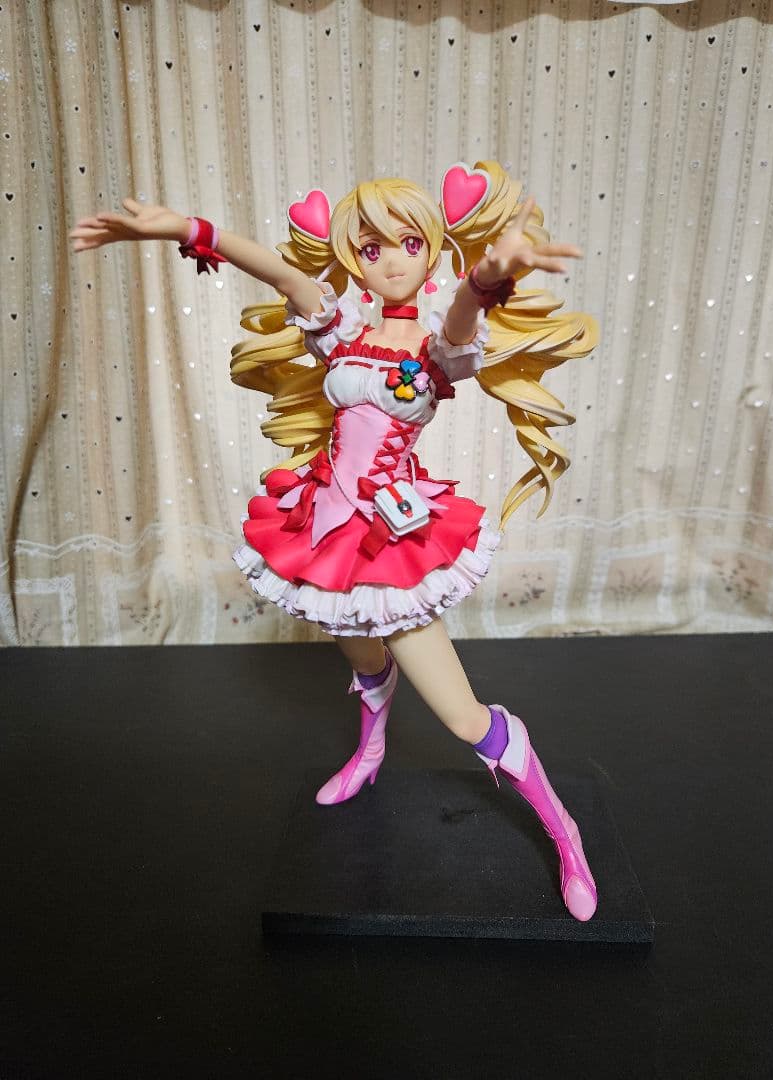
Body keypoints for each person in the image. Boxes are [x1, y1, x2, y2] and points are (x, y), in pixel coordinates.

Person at [70, 161, 600, 921]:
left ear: (432, 248)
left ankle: (567, 835)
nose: (391, 260)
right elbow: (285, 275)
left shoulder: (437, 347)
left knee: (463, 718)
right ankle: (371, 750)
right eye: (371, 247)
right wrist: (186, 229)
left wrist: (487, 277)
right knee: (363, 659)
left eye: (409, 243)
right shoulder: (343, 328)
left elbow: (460, 316)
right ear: (355, 256)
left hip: (390, 540)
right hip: (324, 530)